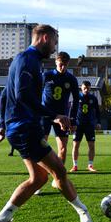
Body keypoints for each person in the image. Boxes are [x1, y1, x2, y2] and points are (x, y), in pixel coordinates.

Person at [0, 24, 93, 222]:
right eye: (54, 41)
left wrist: (2, 124)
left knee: (39, 178)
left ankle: (2, 219)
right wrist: (55, 116)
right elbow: (23, 96)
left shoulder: (27, 61)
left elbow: (4, 95)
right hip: (25, 128)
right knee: (59, 171)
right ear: (45, 38)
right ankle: (83, 212)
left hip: (20, 127)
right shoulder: (28, 60)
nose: (55, 48)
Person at [36, 51, 79, 193]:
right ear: (56, 62)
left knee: (63, 149)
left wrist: (72, 119)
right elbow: (36, 94)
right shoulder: (46, 76)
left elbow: (76, 101)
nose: (63, 67)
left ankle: (57, 179)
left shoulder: (71, 79)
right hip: (45, 115)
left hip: (63, 118)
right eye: (61, 64)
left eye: (65, 65)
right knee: (41, 149)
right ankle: (38, 182)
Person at [70, 81, 101, 172]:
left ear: (90, 88)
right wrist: (72, 123)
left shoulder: (93, 98)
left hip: (90, 125)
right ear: (81, 88)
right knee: (75, 145)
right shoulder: (77, 98)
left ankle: (90, 165)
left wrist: (98, 122)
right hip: (78, 125)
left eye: (88, 88)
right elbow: (72, 111)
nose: (86, 90)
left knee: (91, 145)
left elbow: (98, 112)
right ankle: (75, 165)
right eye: (84, 88)